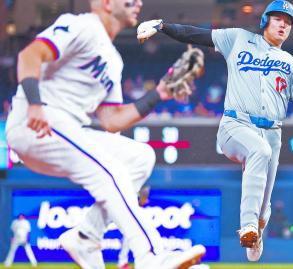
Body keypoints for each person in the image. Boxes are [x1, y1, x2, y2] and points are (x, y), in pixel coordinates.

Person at [137, 0, 293, 262]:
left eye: (288, 21)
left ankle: (255, 230)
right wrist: (162, 26)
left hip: (273, 132)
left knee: (264, 205)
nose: (283, 24)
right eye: (278, 19)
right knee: (259, 152)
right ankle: (247, 226)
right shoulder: (238, 39)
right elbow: (197, 35)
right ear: (265, 21)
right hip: (235, 125)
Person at [5, 0, 205, 268]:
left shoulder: (113, 60)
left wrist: (159, 93)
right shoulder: (81, 25)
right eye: (131, 0)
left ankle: (86, 237)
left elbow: (113, 120)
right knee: (111, 172)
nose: (139, 3)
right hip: (38, 121)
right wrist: (34, 103)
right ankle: (152, 256)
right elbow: (29, 56)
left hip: (66, 130)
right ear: (107, 3)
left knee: (140, 157)